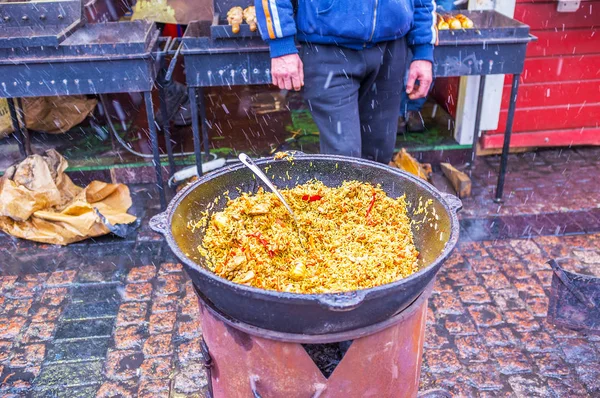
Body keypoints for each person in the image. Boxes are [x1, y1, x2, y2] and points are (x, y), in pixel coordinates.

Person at [255, 0, 436, 164]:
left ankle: (368, 200)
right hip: (328, 47)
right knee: (343, 156)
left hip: (392, 49)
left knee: (378, 152)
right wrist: (281, 43)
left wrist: (423, 49)